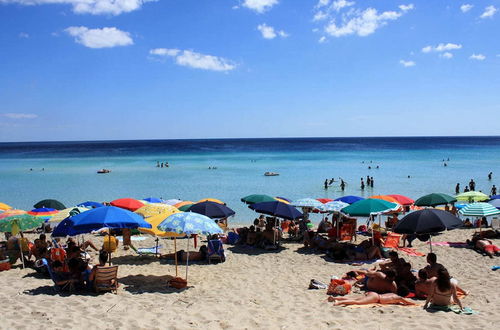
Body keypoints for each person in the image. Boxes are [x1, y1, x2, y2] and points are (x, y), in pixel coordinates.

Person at [328, 287, 415, 306]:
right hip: (376, 298)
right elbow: (407, 303)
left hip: (373, 294)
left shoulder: (393, 294)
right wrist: (416, 304)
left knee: (354, 298)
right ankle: (339, 302)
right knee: (357, 302)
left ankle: (335, 298)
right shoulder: (399, 298)